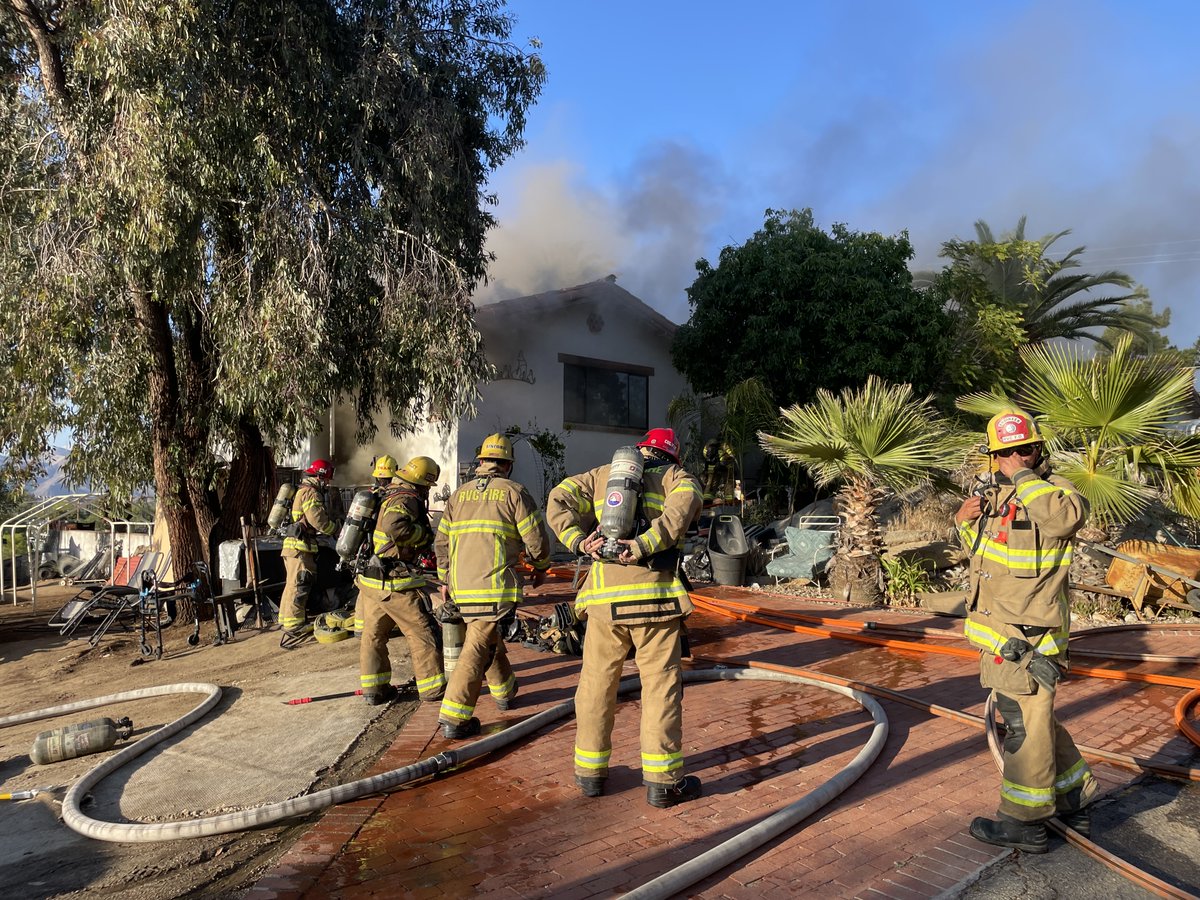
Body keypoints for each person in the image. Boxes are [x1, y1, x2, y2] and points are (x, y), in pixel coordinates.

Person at [957, 408, 1098, 852]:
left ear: (1038, 450)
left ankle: (1024, 822)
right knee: (1036, 722)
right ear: (992, 456)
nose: (1014, 458)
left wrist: (1021, 475)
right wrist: (963, 522)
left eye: (1023, 449)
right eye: (1005, 453)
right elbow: (985, 560)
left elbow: (1062, 521)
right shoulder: (997, 498)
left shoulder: (1058, 494)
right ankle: (1074, 797)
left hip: (1031, 639)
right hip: (1000, 630)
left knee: (1024, 727)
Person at [545, 427, 704, 808]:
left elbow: (557, 498)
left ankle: (590, 774)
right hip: (654, 604)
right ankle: (663, 783)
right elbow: (684, 509)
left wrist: (578, 541)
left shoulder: (602, 475)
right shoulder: (677, 477)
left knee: (596, 685)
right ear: (672, 454)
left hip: (603, 604)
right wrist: (645, 544)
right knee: (660, 690)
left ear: (641, 450)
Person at [434, 433, 552, 738]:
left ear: (482, 462)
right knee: (477, 646)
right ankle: (454, 717)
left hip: (461, 586)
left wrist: (445, 578)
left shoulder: (458, 495)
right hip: (494, 587)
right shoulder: (514, 492)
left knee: (486, 635)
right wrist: (540, 566)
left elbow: (442, 542)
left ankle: (505, 691)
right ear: (508, 465)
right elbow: (535, 537)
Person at [356, 456, 446, 706]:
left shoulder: (384, 493)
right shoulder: (406, 498)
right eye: (428, 485)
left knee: (374, 636)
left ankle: (375, 690)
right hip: (394, 583)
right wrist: (424, 536)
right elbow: (395, 527)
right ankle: (432, 689)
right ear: (422, 482)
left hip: (372, 581)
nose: (428, 490)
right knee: (422, 633)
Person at [279, 458, 337, 648]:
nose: (327, 483)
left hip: (293, 547)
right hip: (300, 548)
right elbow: (317, 519)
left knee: (292, 584)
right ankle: (294, 625)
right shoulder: (311, 492)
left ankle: (286, 619)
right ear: (320, 476)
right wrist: (335, 529)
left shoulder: (301, 490)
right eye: (326, 479)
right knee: (300, 584)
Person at [351, 454, 400, 637]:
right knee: (379, 588)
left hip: (364, 547)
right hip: (379, 549)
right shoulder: (390, 498)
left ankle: (360, 626)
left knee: (364, 586)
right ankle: (377, 626)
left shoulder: (370, 495)